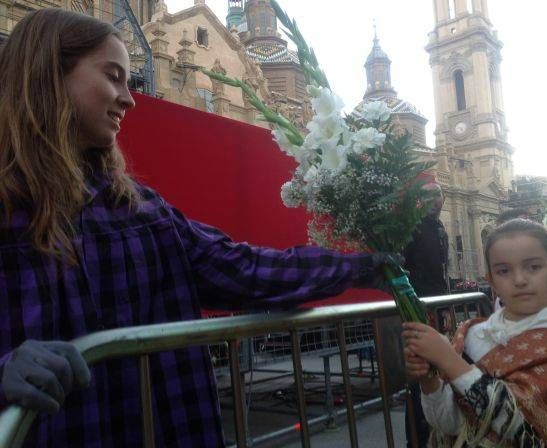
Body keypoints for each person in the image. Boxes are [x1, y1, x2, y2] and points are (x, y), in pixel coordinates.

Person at [0, 10, 390, 447]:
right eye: (113, 77)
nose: (129, 98)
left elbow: (241, 268)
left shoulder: (141, 211)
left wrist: (359, 268)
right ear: (48, 73)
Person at [403, 219, 547, 446]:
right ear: (492, 282)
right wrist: (431, 380)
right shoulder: (472, 336)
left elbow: (524, 430)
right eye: (504, 271)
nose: (519, 280)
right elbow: (454, 424)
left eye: (533, 267)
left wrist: (447, 360)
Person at [402, 181, 449, 448]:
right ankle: (417, 439)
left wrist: (446, 308)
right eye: (429, 195)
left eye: (439, 195)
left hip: (439, 308)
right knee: (420, 371)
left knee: (437, 367)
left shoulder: (441, 229)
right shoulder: (413, 227)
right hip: (417, 308)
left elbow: (441, 271)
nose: (435, 200)